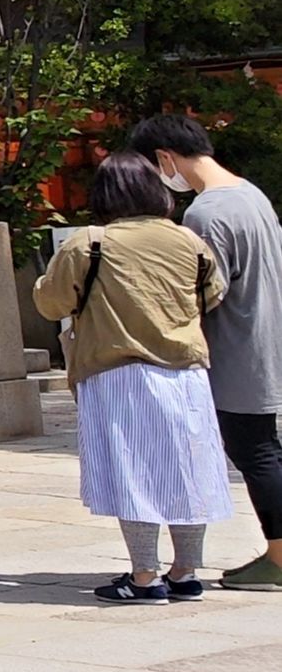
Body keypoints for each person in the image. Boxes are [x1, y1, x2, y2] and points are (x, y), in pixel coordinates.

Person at [38, 152, 237, 601]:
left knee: (133, 473)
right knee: (189, 471)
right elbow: (214, 294)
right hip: (185, 373)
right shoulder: (188, 240)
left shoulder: (89, 243)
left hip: (116, 373)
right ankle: (185, 572)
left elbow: (51, 303)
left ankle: (144, 576)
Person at [130, 114, 282, 589]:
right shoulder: (249, 194)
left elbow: (204, 291)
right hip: (264, 337)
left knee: (256, 452)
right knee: (263, 449)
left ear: (164, 159)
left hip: (237, 351)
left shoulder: (206, 214)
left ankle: (279, 559)